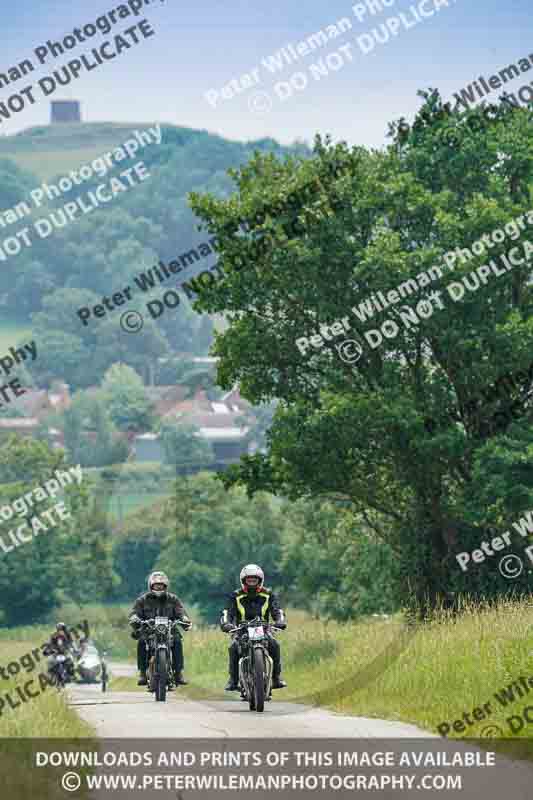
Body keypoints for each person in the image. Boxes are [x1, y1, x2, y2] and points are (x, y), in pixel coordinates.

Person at [220, 564, 287, 692]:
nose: (251, 583)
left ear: (260, 580)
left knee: (274, 644)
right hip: (242, 629)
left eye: (254, 580)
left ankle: (276, 678)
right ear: (243, 581)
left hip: (264, 628)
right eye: (249, 580)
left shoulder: (268, 594)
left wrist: (280, 621)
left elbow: (277, 610)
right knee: (233, 647)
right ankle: (233, 680)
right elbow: (227, 612)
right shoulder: (235, 595)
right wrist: (226, 624)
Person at [129, 571, 192, 687]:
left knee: (177, 641)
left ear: (166, 586)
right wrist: (135, 618)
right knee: (142, 642)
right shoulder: (142, 600)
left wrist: (184, 618)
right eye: (156, 585)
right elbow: (134, 613)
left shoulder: (173, 599)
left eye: (161, 585)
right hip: (149, 630)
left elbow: (180, 611)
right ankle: (142, 673)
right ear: (151, 586)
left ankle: (178, 673)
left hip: (170, 629)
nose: (159, 587)